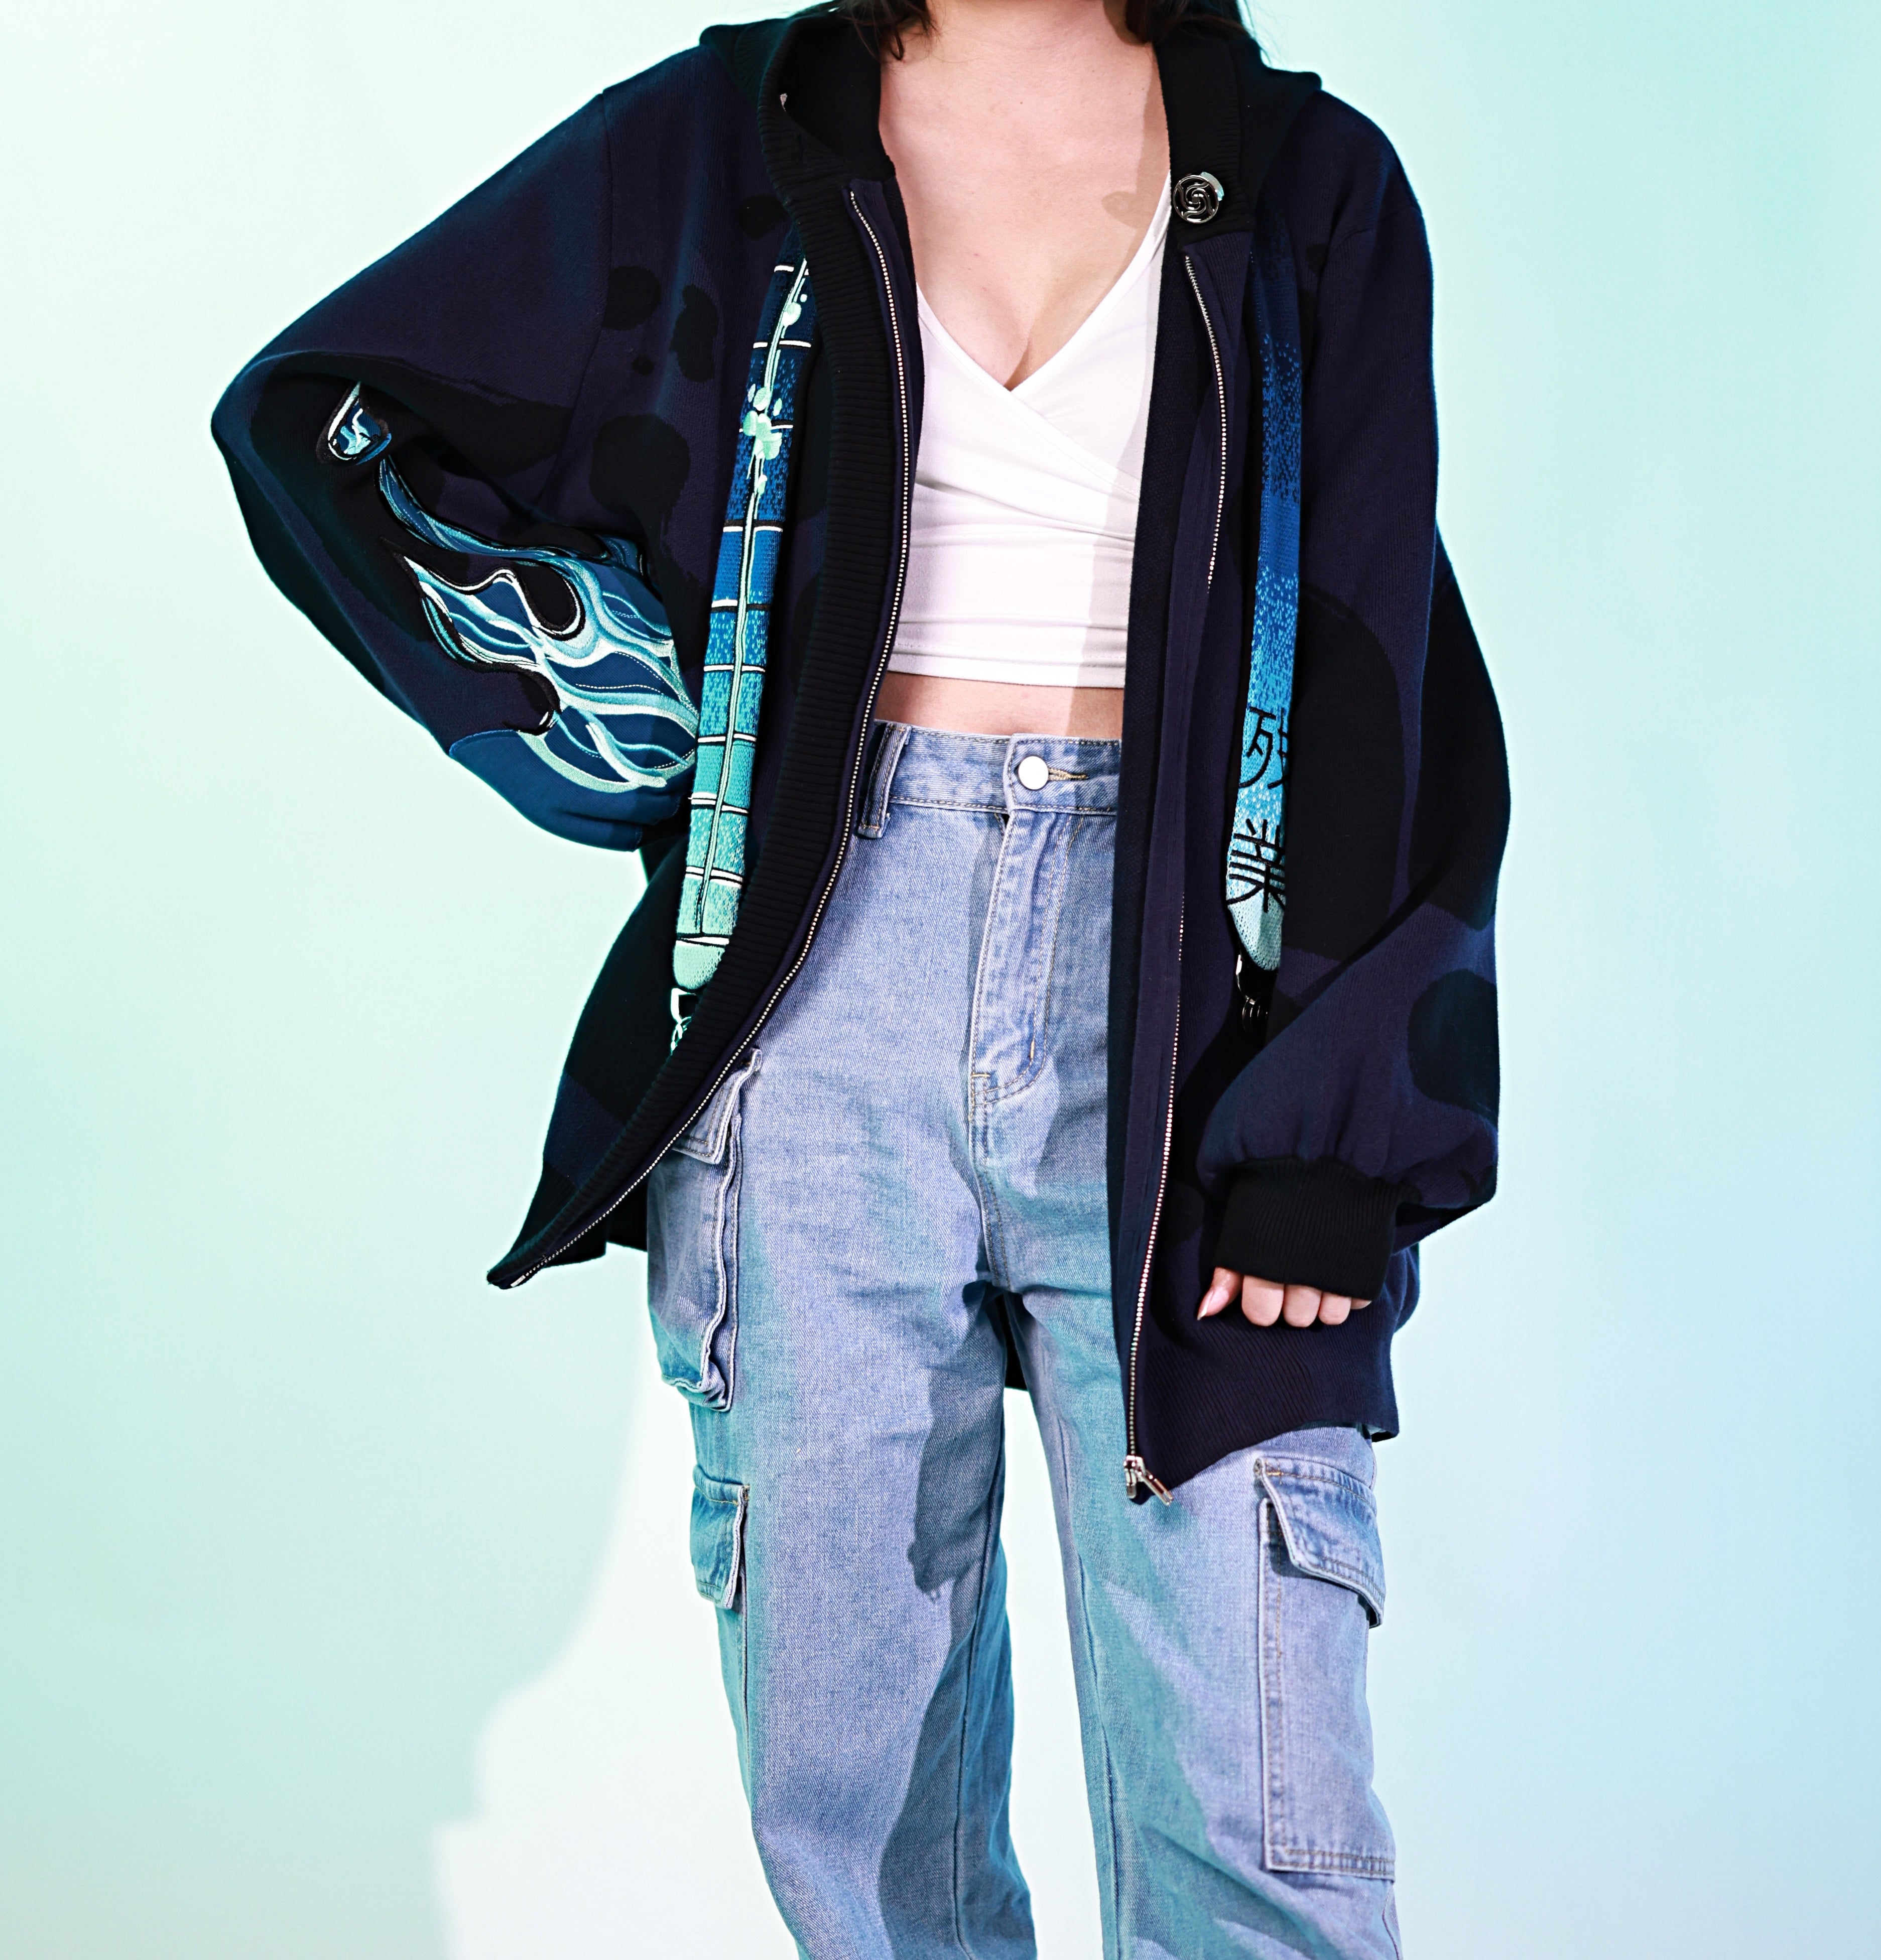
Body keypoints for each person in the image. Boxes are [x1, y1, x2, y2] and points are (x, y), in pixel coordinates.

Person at [213, 0, 1508, 1950]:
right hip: (817, 1010)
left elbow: (1380, 671)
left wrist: (1335, 1136)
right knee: (865, 1848)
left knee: (1258, 1826)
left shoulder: (1311, 183)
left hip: (1191, 1012)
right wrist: (661, 732)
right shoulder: (729, 134)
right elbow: (332, 418)